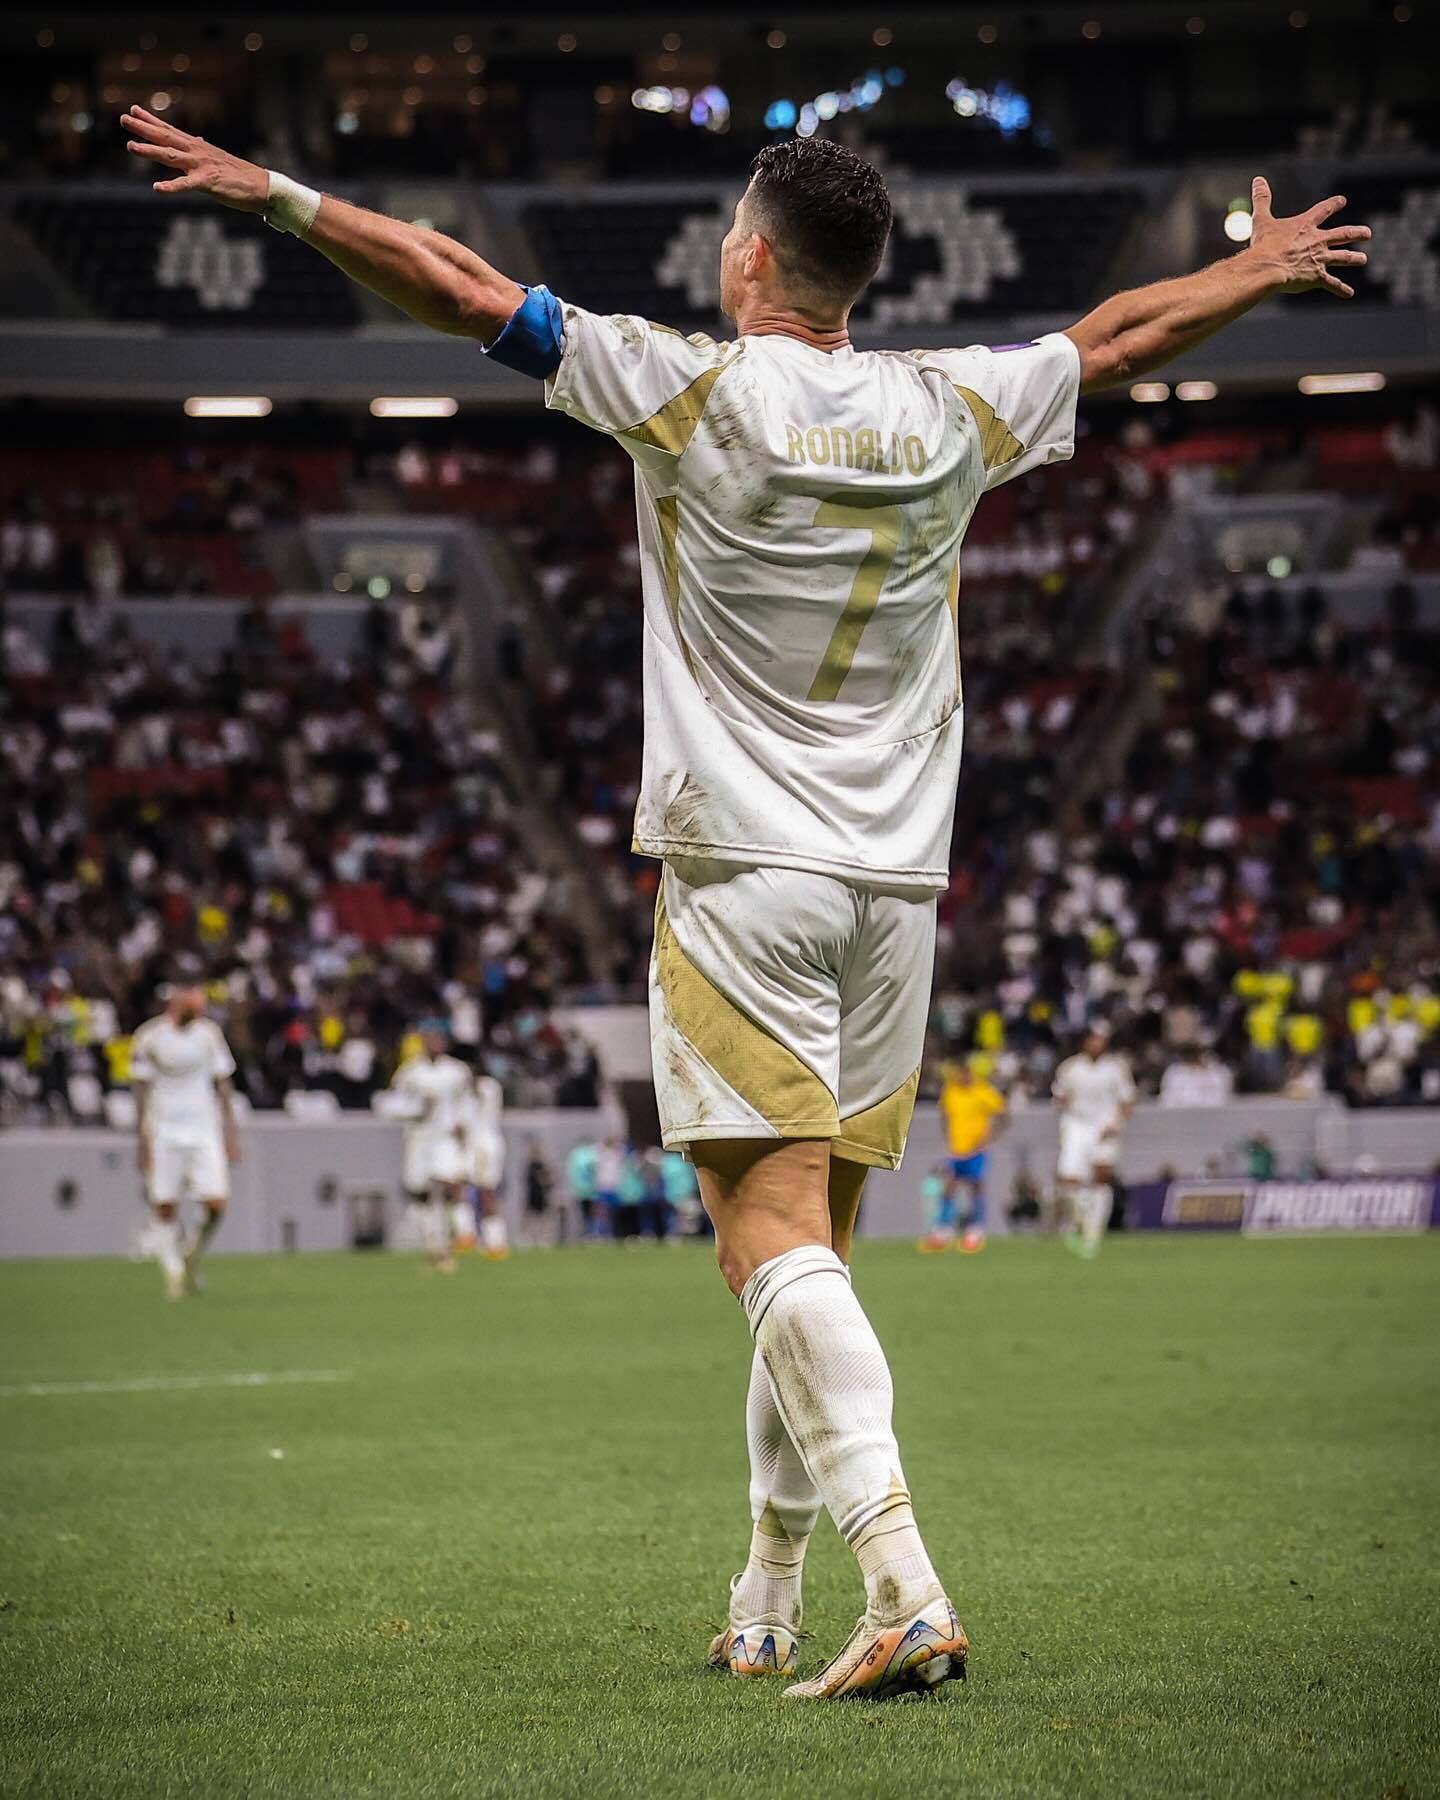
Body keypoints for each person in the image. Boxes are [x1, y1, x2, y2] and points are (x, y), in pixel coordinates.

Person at [124, 101, 1371, 1698]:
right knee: (813, 1260)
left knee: (761, 1246)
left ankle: (903, 1582)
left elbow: (458, 286)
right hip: (895, 891)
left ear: (755, 261)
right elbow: (1120, 337)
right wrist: (1258, 269)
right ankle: (771, 1588)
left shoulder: (688, 387)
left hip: (744, 874)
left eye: (731, 227)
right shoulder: (949, 406)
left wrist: (281, 195)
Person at [131, 978, 240, 1300]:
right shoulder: (150, 1037)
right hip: (164, 1130)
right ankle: (174, 1273)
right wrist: (141, 1140)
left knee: (216, 1203)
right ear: (176, 999)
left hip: (204, 1129)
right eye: (194, 996)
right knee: (165, 1205)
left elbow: (223, 1083)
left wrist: (231, 1132)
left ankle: (191, 1253)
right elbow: (141, 1088)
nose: (200, 1003)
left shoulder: (209, 1035)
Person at [389, 1021, 472, 1272]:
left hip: (445, 1138)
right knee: (421, 1192)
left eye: (438, 1038)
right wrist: (418, 1108)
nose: (434, 1043)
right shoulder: (410, 1072)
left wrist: (463, 1124)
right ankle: (433, 1246)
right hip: (419, 1138)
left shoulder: (457, 1071)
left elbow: (467, 1102)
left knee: (448, 1185)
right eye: (430, 1038)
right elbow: (392, 1105)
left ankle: (456, 1239)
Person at [1052, 1026, 1136, 1260]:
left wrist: (1116, 1124)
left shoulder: (1116, 1068)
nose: (1097, 1044)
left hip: (1104, 1127)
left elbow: (1128, 1100)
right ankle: (1079, 1219)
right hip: (1077, 1127)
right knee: (1069, 1181)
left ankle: (1094, 1230)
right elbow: (1059, 1096)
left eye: (1101, 1040)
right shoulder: (1070, 1068)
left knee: (1101, 1176)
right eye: (1093, 1040)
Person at [934, 1058, 1007, 1253]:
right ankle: (944, 1230)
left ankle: (976, 1229)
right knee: (949, 1187)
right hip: (956, 1149)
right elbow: (945, 1115)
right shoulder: (951, 1091)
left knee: (976, 1187)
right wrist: (947, 1137)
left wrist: (988, 1138)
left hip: (976, 1149)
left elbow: (1003, 1115)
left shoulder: (983, 1091)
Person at [464, 1064, 509, 1260]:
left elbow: (479, 1093)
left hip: (486, 1147)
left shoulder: (489, 1086)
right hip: (471, 1146)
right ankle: (468, 1235)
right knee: (462, 1191)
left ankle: (496, 1242)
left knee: (487, 1193)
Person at [522, 1140, 555, 1247]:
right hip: (532, 1195)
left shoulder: (541, 1166)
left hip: (541, 1196)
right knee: (529, 1217)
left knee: (543, 1218)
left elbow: (548, 1181)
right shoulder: (530, 1166)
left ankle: (544, 1238)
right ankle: (527, 1237)